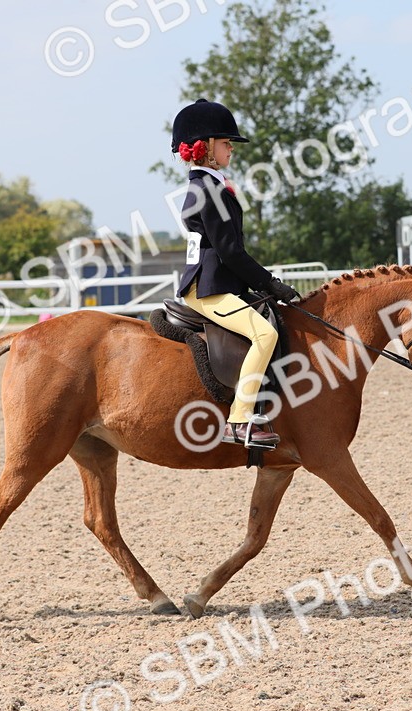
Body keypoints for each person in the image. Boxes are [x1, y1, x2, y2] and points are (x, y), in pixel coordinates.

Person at [171, 99, 300, 449]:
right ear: (208, 147)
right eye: (227, 143)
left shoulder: (210, 185)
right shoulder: (207, 189)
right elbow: (231, 251)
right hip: (209, 289)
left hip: (218, 282)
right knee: (264, 334)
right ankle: (240, 420)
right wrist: (270, 283)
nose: (232, 149)